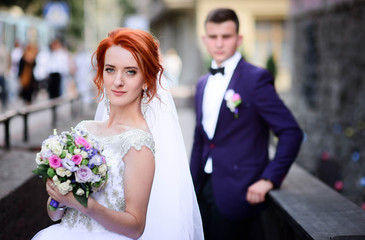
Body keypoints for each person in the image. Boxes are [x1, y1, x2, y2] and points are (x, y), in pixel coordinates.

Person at [32, 28, 204, 240]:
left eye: (130, 71)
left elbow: (135, 227)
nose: (117, 81)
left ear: (146, 80)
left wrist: (84, 205)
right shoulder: (84, 130)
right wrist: (58, 195)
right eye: (110, 69)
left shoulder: (138, 143)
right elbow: (54, 214)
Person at [190, 8, 303, 240]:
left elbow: (291, 132)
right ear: (204, 40)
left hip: (239, 192)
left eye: (226, 36)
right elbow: (201, 138)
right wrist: (190, 186)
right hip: (203, 188)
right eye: (213, 37)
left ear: (239, 39)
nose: (219, 43)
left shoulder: (255, 79)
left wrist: (269, 178)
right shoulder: (202, 84)